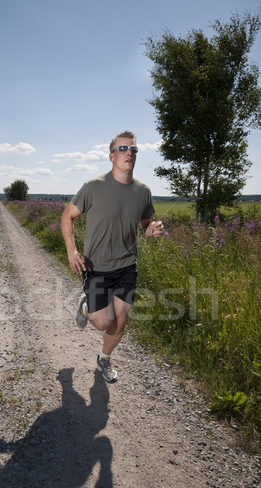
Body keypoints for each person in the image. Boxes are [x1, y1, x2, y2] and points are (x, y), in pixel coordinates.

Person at [61, 131, 164, 383]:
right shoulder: (93, 187)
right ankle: (86, 307)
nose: (129, 152)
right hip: (97, 267)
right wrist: (71, 250)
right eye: (123, 149)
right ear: (111, 156)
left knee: (121, 320)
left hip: (127, 265)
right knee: (102, 322)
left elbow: (145, 225)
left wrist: (152, 231)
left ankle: (104, 359)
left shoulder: (143, 191)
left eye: (133, 149)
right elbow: (67, 217)